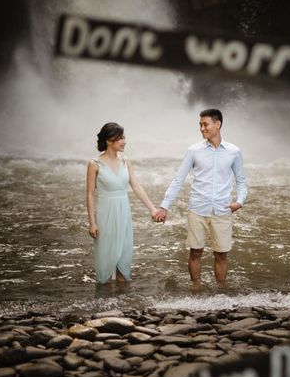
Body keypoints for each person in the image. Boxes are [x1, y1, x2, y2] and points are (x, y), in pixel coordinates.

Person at [154, 109, 247, 283]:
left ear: (217, 125)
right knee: (195, 252)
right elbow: (178, 180)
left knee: (221, 254)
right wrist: (163, 207)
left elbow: (241, 182)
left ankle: (220, 291)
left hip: (223, 209)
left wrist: (239, 202)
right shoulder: (194, 151)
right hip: (197, 209)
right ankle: (195, 288)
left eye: (205, 124)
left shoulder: (234, 151)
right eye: (200, 125)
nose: (202, 128)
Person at [86, 122, 159, 285]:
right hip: (105, 216)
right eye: (121, 138)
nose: (125, 141)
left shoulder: (126, 161)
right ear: (109, 140)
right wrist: (92, 223)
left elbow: (136, 186)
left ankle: (122, 304)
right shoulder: (94, 164)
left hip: (124, 215)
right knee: (105, 263)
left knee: (123, 262)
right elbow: (90, 194)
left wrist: (153, 209)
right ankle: (103, 304)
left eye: (124, 137)